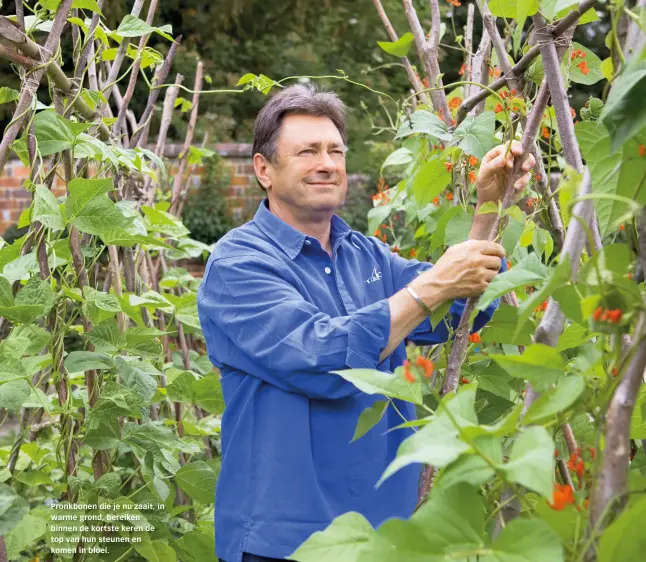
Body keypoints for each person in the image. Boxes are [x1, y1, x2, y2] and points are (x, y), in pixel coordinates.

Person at [197, 84, 535, 562]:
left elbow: (457, 310)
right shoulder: (239, 265)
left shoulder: (364, 254)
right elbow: (320, 358)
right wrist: (430, 288)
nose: (327, 162)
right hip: (285, 539)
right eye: (308, 151)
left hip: (386, 532)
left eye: (335, 150)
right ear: (263, 169)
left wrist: (487, 211)